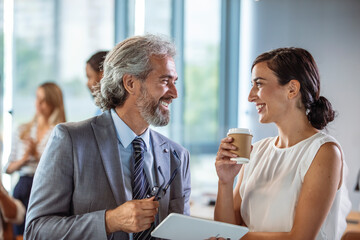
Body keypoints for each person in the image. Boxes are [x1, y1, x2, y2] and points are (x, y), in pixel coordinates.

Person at [24, 34, 191, 240]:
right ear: (130, 83)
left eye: (174, 82)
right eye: (165, 81)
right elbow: (36, 231)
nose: (174, 93)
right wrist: (110, 221)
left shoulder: (178, 156)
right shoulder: (71, 140)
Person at [213, 48, 351, 240]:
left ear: (292, 89)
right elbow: (225, 230)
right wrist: (225, 182)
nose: (250, 96)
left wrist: (236, 237)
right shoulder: (256, 151)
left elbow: (300, 238)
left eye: (258, 84)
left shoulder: (324, 152)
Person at [4, 82, 66, 237]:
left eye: (44, 100)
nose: (38, 103)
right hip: (23, 187)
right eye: (37, 98)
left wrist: (37, 157)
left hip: (48, 188)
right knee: (18, 234)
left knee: (42, 233)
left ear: (53, 103)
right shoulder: (21, 130)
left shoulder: (60, 132)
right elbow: (8, 169)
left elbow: (61, 168)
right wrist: (24, 159)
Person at [86, 51, 108, 115]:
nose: (87, 83)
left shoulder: (105, 114)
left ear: (103, 75)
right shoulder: (100, 111)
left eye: (89, 77)